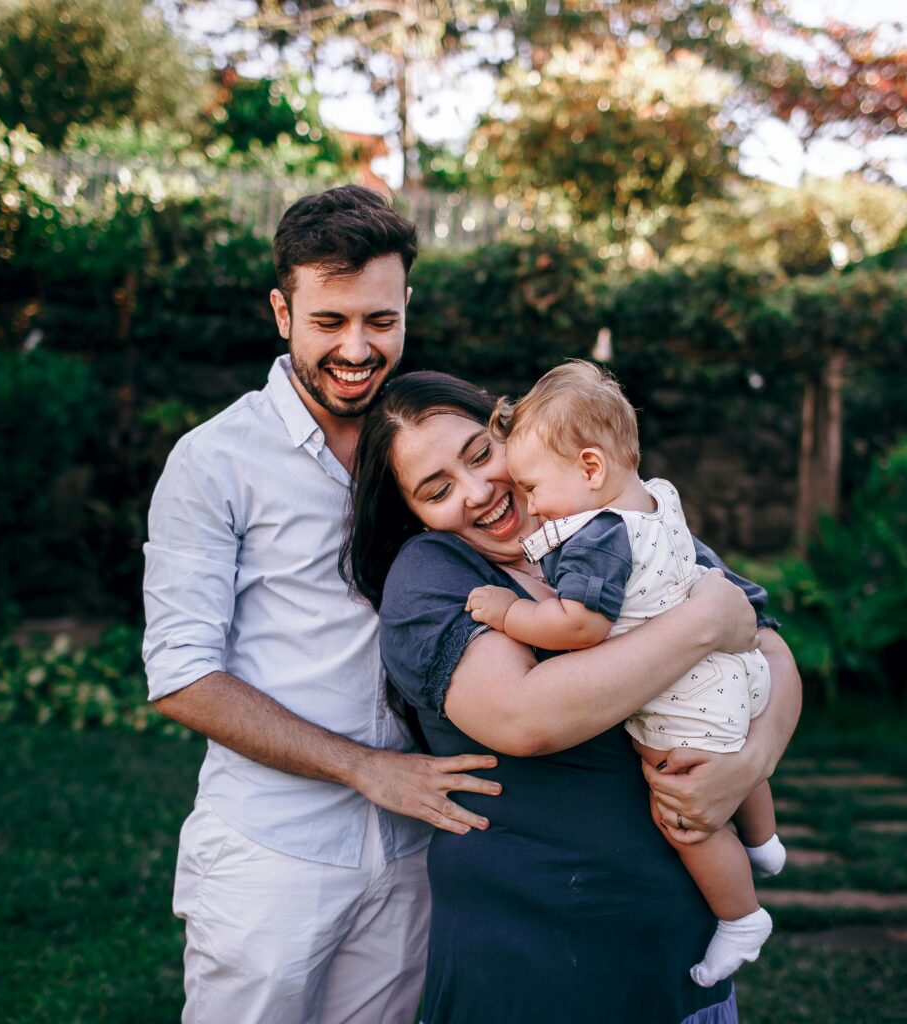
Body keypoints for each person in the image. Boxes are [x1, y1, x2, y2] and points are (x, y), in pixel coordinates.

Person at [141, 185, 504, 1024]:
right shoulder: (214, 461)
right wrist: (366, 770)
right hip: (274, 853)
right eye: (329, 321)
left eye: (380, 320)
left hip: (420, 845)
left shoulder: (435, 444)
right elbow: (182, 675)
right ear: (282, 311)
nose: (357, 347)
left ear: (407, 306)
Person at [344, 371, 803, 1023]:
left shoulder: (613, 522)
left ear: (514, 433)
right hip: (534, 972)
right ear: (414, 514)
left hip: (681, 971)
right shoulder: (433, 577)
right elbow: (526, 716)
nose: (478, 493)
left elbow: (774, 655)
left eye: (480, 454)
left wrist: (748, 765)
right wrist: (705, 623)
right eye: (437, 489)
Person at [465, 360, 787, 987]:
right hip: (733, 673)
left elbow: (579, 624)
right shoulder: (657, 499)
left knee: (686, 818)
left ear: (590, 468)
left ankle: (741, 916)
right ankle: (764, 841)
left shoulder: (597, 536)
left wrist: (511, 613)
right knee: (735, 744)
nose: (528, 504)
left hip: (684, 703)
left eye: (532, 487)